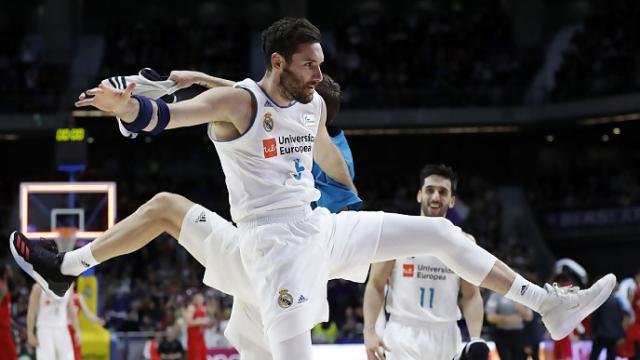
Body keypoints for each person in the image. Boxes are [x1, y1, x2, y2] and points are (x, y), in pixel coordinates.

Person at [10, 16, 616, 360]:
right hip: (273, 250)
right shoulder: (234, 101)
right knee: (168, 206)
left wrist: (200, 76)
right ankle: (67, 263)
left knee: (438, 232)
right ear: (278, 62)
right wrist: (131, 105)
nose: (321, 74)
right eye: (310, 65)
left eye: (321, 65)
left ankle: (548, 303)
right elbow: (164, 120)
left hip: (322, 230)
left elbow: (306, 136)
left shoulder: (308, 105)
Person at [363, 164, 486, 360]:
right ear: (419, 195)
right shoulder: (396, 235)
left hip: (447, 335)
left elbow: (471, 295)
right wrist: (369, 332)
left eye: (443, 192)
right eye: (430, 190)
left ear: (452, 200)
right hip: (403, 334)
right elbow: (375, 285)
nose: (436, 197)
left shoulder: (465, 242)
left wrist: (475, 339)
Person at [26, 284, 77, 360]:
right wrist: (30, 333)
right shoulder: (38, 287)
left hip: (62, 328)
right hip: (44, 329)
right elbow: (31, 311)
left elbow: (71, 309)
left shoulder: (68, 284)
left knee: (68, 358)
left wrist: (77, 330)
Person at [485, 288, 533, 360]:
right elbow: (490, 317)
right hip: (502, 334)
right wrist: (508, 319)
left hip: (519, 335)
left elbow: (529, 317)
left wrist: (522, 310)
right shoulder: (496, 296)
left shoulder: (522, 296)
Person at [69, 284, 105, 360]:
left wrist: (97, 320)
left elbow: (87, 313)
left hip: (74, 329)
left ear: (73, 284)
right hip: (63, 329)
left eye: (71, 283)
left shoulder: (78, 297)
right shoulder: (62, 298)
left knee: (76, 354)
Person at [184, 293, 209, 360]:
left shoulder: (203, 308)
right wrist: (200, 321)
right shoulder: (191, 308)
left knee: (203, 356)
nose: (201, 301)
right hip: (193, 338)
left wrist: (206, 322)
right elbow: (188, 322)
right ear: (195, 300)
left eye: (202, 300)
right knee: (195, 357)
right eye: (199, 299)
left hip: (201, 337)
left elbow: (206, 322)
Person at [0, 265, 17, 360]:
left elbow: (6, 316)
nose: (12, 273)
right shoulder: (2, 287)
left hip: (5, 331)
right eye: (11, 270)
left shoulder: (5, 287)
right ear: (6, 273)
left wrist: (19, 328)